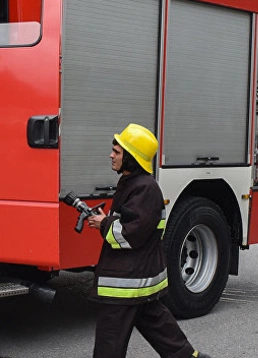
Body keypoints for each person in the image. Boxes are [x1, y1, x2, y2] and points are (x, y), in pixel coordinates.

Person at [86, 123, 211, 358]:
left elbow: (131, 233)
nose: (111, 155)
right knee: (164, 334)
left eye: (117, 151)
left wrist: (103, 223)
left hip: (125, 284)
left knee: (109, 346)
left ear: (131, 158)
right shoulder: (136, 184)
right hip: (136, 279)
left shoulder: (144, 189)